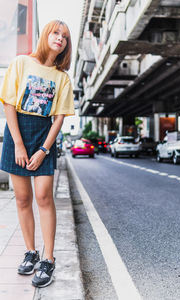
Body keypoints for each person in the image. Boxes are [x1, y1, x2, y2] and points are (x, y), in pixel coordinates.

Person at [0, 20, 74, 288]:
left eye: (65, 37)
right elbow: (9, 104)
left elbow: (59, 118)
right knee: (22, 198)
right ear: (46, 35)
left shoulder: (62, 77)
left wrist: (44, 150)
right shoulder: (21, 63)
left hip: (43, 134)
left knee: (43, 196)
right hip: (17, 131)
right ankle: (30, 252)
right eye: (56, 33)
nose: (60, 39)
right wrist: (19, 144)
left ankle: (48, 259)